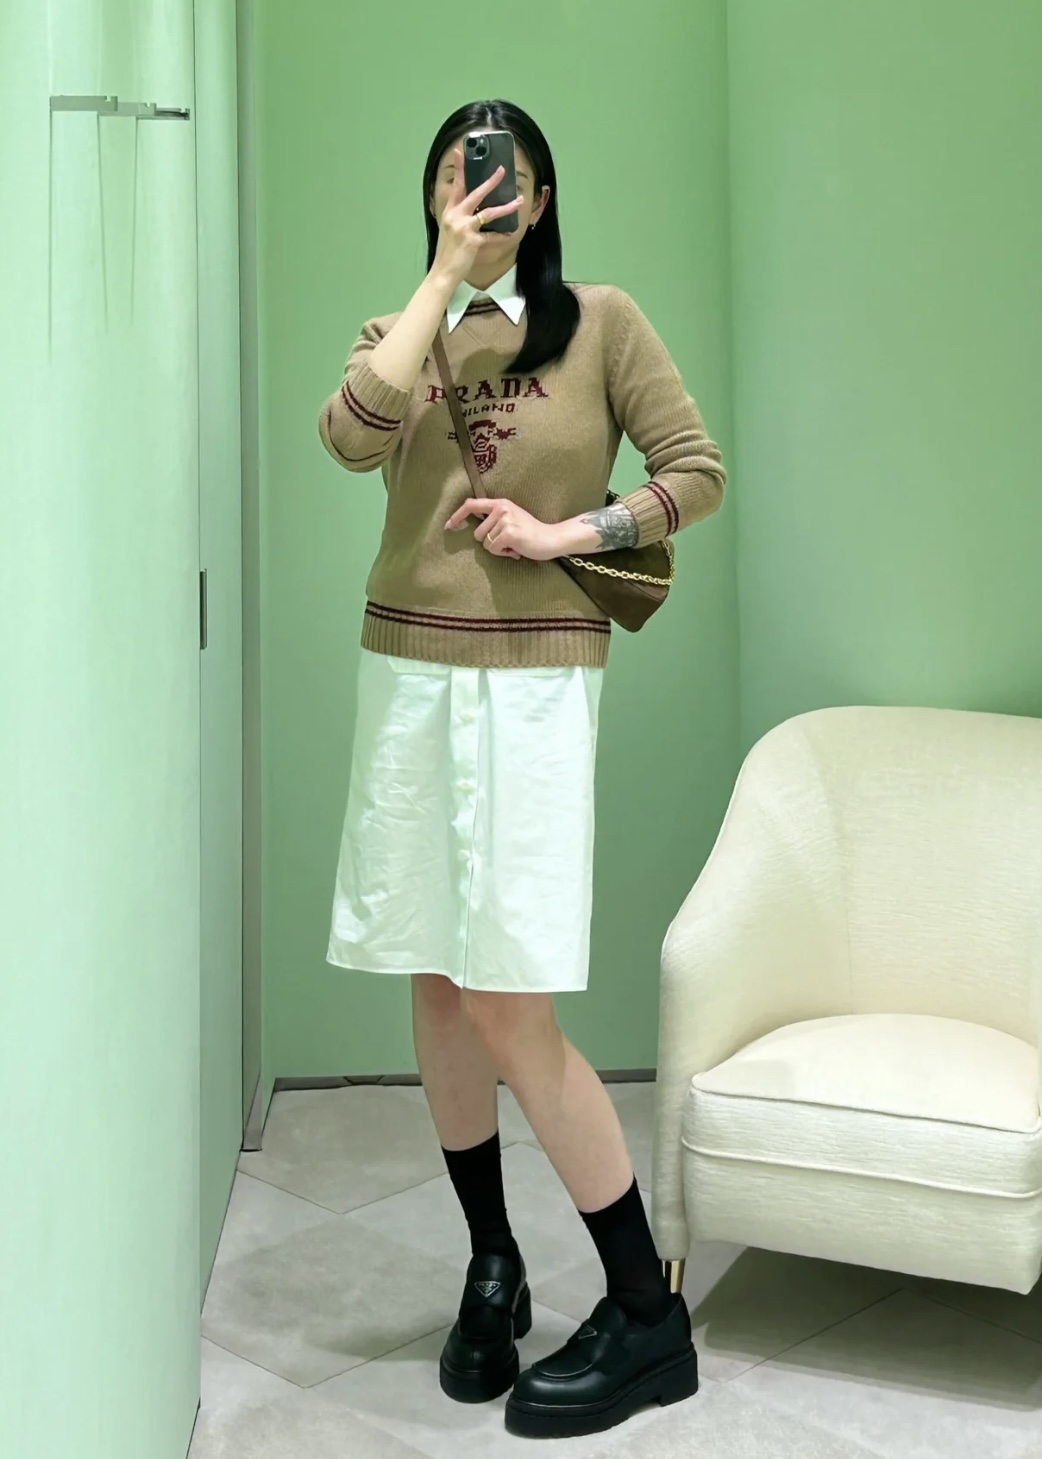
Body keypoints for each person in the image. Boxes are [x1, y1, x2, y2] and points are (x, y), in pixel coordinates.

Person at [318, 98, 725, 1441]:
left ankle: (645, 1312)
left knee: (507, 995)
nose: (479, 194)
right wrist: (440, 279)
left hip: (536, 689)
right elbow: (349, 438)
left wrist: (567, 535)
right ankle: (490, 1266)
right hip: (407, 680)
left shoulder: (601, 322)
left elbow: (694, 472)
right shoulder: (402, 332)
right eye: (456, 177)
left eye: (500, 179)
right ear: (435, 198)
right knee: (438, 979)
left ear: (540, 199)